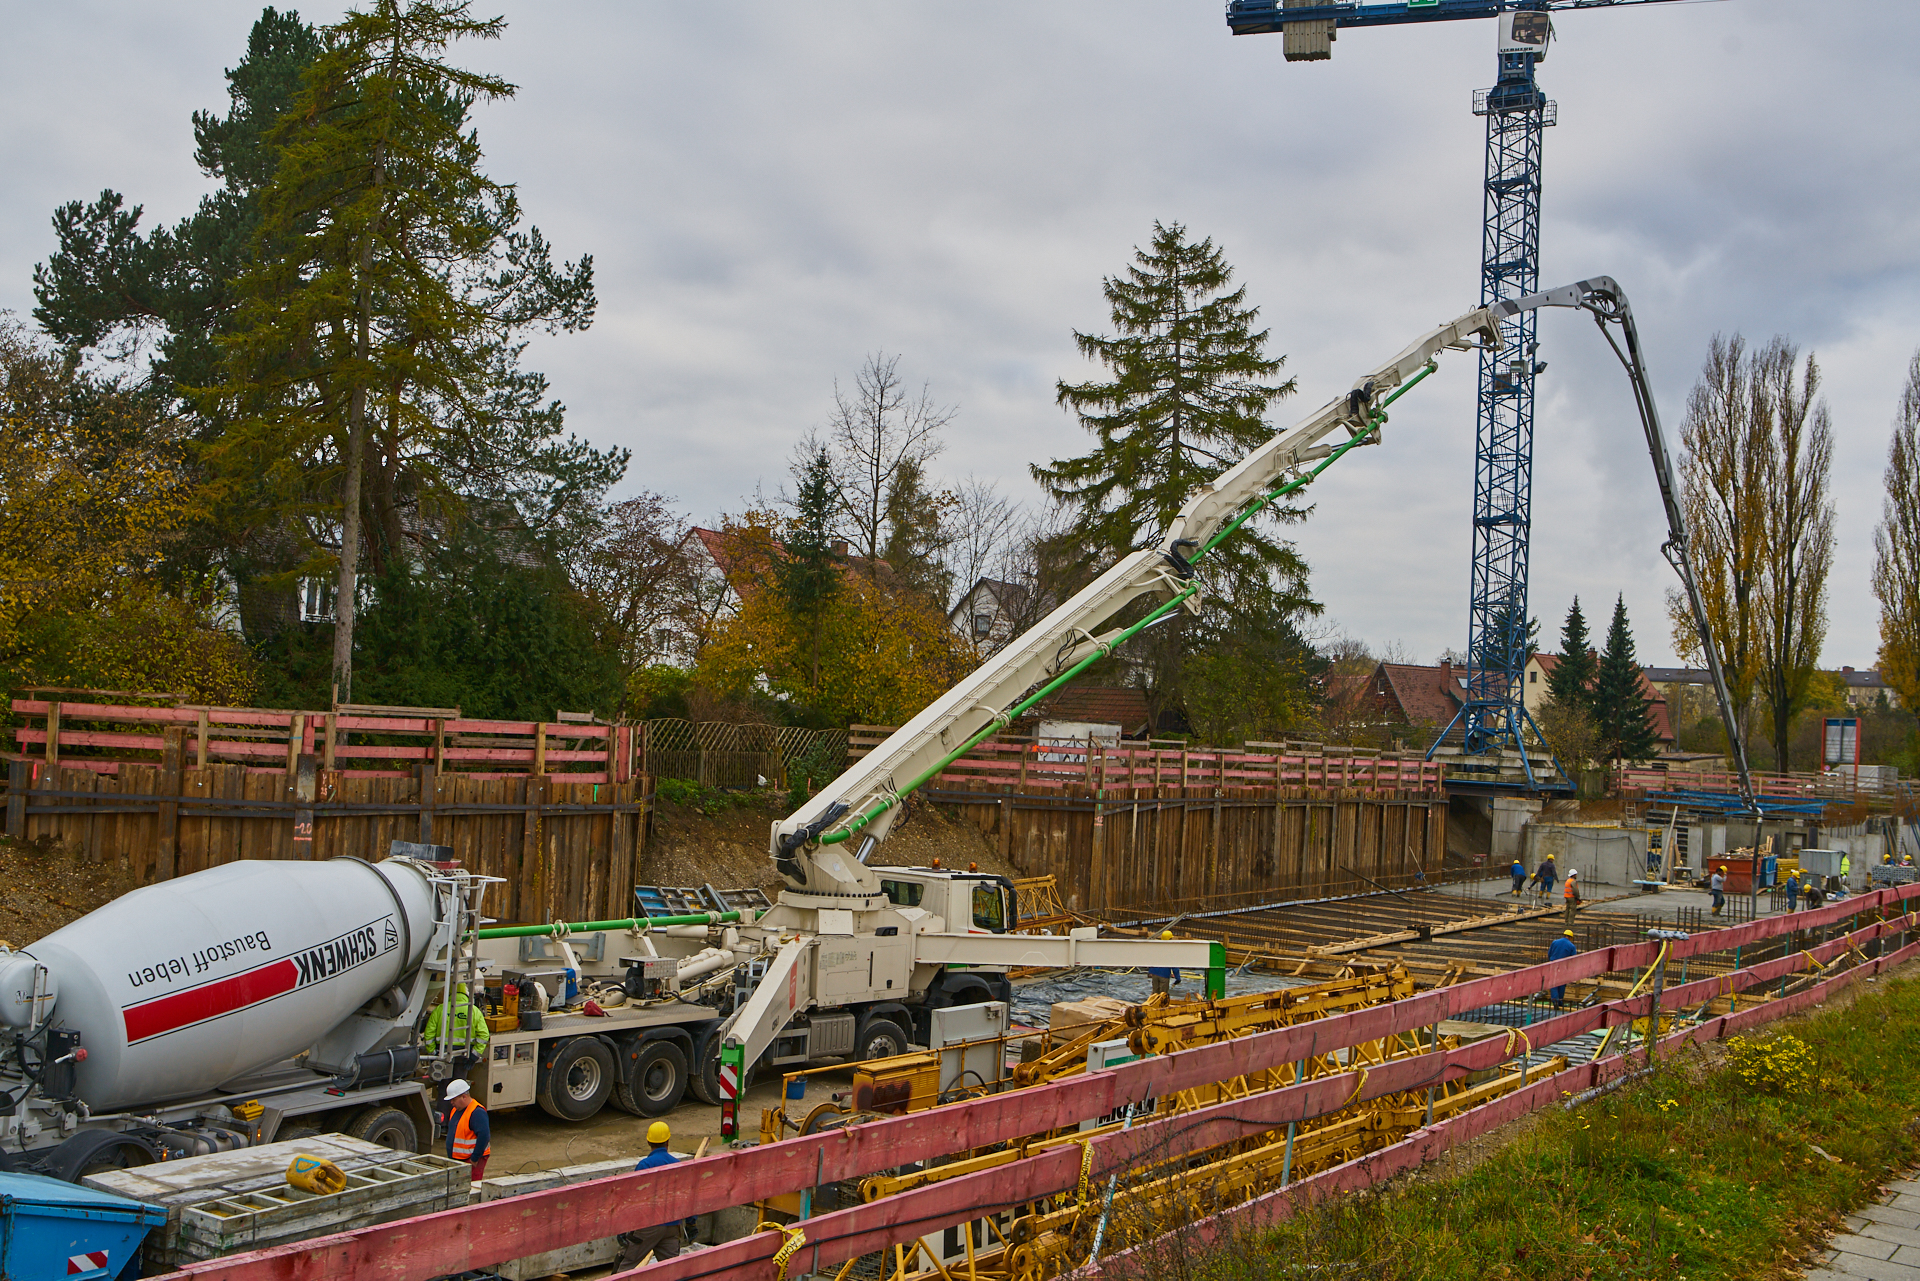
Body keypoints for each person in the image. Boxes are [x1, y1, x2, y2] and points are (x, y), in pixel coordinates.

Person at [616, 1122, 686, 1268]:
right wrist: (691, 1222)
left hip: (649, 1227)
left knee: (625, 1266)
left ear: (648, 1141)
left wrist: (623, 1226)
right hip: (672, 1226)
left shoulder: (644, 1165)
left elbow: (634, 1199)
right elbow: (687, 1197)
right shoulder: (677, 1164)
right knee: (672, 1271)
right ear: (668, 1141)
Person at [425, 983, 490, 1081]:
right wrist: (474, 1056)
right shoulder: (474, 1011)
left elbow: (428, 1034)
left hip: (443, 1053)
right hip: (464, 1054)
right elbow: (484, 1035)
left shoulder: (440, 1009)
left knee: (444, 1087)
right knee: (459, 1088)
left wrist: (433, 1053)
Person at [444, 1079, 490, 1182]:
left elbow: (484, 1136)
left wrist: (474, 1158)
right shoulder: (456, 1110)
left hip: (471, 1160)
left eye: (453, 1099)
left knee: (471, 1186)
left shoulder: (477, 1112)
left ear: (464, 1097)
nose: (451, 1102)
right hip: (459, 1160)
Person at [1547, 929, 1578, 1008]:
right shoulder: (1571, 946)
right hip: (1564, 967)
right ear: (1571, 938)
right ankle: (1560, 1001)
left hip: (1553, 965)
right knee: (1562, 983)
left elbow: (1549, 953)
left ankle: (1555, 1000)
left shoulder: (1555, 942)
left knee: (1553, 983)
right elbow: (1573, 960)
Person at [1148, 930, 1181, 998]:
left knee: (1155, 993)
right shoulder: (1170, 951)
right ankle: (1161, 1008)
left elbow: (1151, 959)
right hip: (1164, 975)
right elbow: (1174, 965)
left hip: (1154, 973)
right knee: (1162, 995)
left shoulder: (1157, 948)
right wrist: (1178, 978)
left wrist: (1150, 971)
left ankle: (1151, 1006)